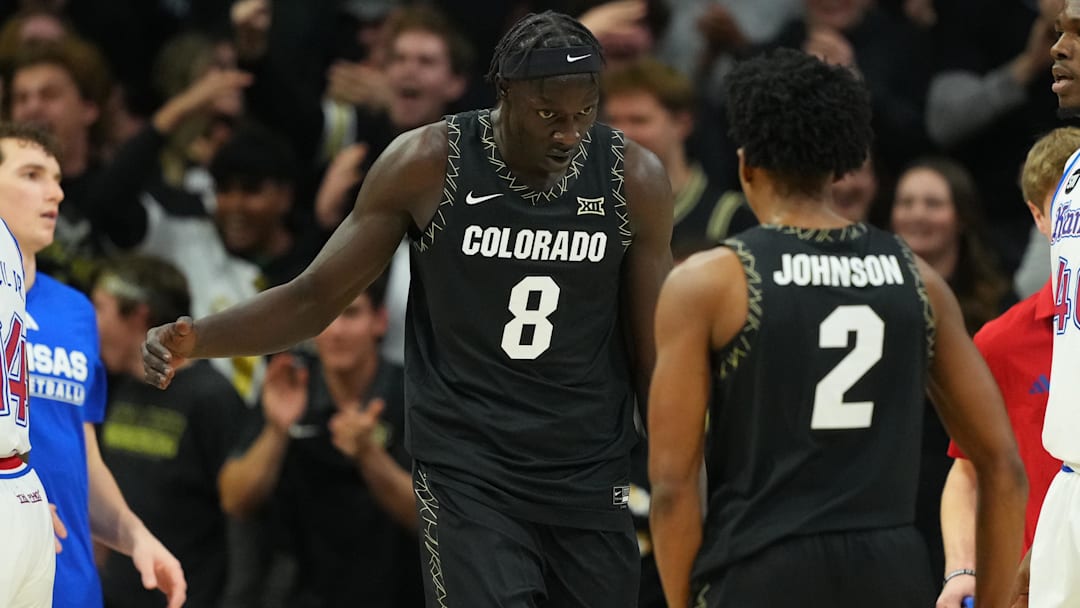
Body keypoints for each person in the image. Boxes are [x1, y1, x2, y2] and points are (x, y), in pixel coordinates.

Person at [143, 9, 673, 608]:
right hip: (471, 470)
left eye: (584, 114)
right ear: (503, 94)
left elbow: (657, 357)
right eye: (549, 114)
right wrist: (201, 339)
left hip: (588, 469)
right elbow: (316, 298)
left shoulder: (633, 178)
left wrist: (686, 482)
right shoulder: (429, 162)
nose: (568, 134)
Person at [647, 48, 1027, 608]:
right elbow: (1001, 466)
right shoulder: (918, 280)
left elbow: (674, 486)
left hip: (761, 568)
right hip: (889, 570)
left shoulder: (710, 281)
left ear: (746, 162)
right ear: (842, 165)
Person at [0, 120, 187, 608]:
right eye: (32, 174)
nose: (55, 192)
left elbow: (81, 456)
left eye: (58, 178)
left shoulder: (78, 313)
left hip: (73, 582)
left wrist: (133, 535)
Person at [936, 126, 1080, 608]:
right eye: (1066, 215)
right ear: (1040, 219)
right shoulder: (1001, 341)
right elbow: (967, 472)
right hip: (1039, 586)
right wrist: (962, 570)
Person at [219, 274, 422, 608]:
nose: (337, 332)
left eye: (352, 314)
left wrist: (369, 455)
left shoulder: (411, 396)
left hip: (398, 593)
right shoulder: (291, 384)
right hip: (304, 593)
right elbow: (234, 499)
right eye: (327, 318)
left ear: (379, 321)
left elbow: (431, 521)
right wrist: (277, 430)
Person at [91, 255, 246, 608]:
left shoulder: (211, 397)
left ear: (139, 315)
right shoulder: (117, 388)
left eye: (101, 308)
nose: (91, 322)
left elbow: (244, 520)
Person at [1029, 2, 1080, 604]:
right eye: (1060, 31)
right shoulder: (1070, 172)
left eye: (1079, 33)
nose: (1058, 47)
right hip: (1067, 487)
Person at [601, 56, 756, 250]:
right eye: (612, 120)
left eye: (638, 120)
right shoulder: (589, 209)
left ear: (682, 123)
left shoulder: (731, 216)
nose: (620, 134)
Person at [0, 122, 55, 608]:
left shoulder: (12, 249)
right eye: (33, 174)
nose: (54, 192)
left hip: (17, 484)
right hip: (19, 485)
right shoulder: (9, 248)